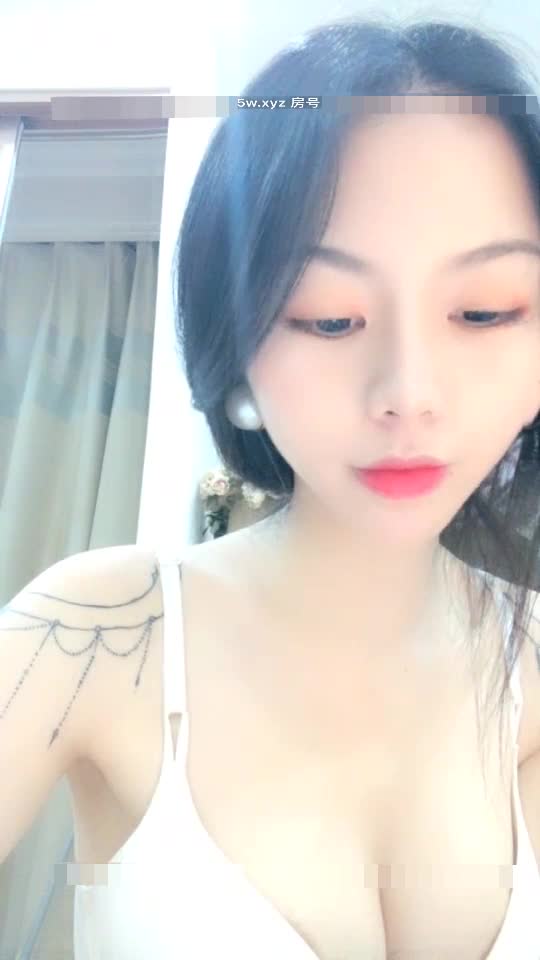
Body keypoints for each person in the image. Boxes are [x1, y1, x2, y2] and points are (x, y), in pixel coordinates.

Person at [2, 14, 540, 960]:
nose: (409, 393)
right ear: (237, 345)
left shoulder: (528, 660)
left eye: (485, 310)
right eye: (329, 319)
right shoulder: (93, 634)